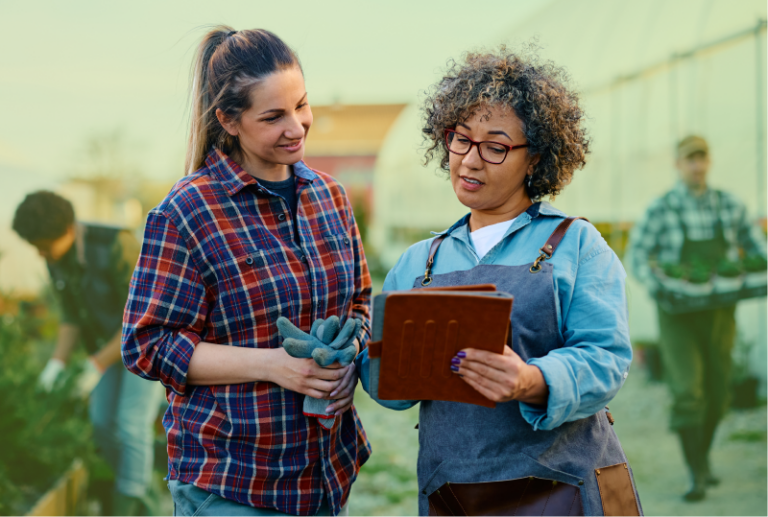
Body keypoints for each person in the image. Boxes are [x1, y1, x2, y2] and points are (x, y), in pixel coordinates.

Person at [358, 50, 641, 517]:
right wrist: (356, 351)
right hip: (454, 492)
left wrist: (532, 380)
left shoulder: (575, 245)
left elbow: (606, 359)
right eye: (460, 139)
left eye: (495, 146)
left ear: (535, 160)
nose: (470, 160)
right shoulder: (418, 264)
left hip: (561, 489)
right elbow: (393, 390)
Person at [121, 27, 370, 517]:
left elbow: (359, 302)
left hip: (322, 471)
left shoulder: (330, 197)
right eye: (273, 116)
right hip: (233, 478)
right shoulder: (188, 211)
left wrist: (351, 358)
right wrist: (272, 365)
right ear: (228, 121)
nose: (297, 126)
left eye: (301, 105)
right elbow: (146, 344)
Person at [626, 135, 768, 501]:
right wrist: (661, 284)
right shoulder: (662, 209)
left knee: (720, 392)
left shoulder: (728, 205)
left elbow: (757, 248)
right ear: (678, 164)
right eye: (690, 159)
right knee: (689, 392)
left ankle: (702, 458)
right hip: (677, 315)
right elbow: (637, 256)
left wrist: (752, 270)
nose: (696, 165)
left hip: (721, 310)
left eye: (701, 158)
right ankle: (697, 474)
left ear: (709, 162)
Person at [12, 191, 164, 517]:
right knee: (101, 423)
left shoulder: (113, 245)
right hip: (107, 352)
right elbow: (71, 318)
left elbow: (140, 317)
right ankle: (141, 489)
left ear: (68, 230)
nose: (40, 254)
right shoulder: (56, 259)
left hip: (146, 345)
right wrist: (56, 364)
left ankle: (130, 508)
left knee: (130, 424)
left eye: (43, 245)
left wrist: (94, 365)